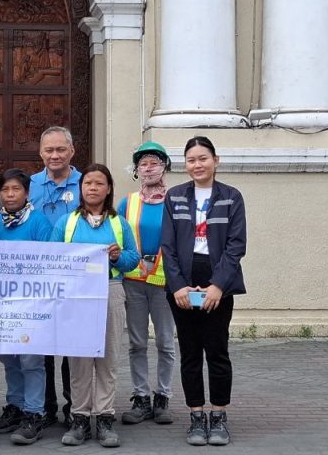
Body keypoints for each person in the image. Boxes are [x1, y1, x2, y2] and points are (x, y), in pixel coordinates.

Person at [160, 136, 247, 446]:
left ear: (215, 160)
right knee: (190, 352)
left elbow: (236, 246)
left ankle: (219, 415)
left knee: (217, 351)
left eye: (203, 158)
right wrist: (178, 286)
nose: (197, 165)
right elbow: (167, 247)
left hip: (218, 281)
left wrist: (218, 286)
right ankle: (196, 416)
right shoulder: (174, 197)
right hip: (182, 281)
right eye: (192, 160)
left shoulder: (232, 197)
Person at [53, 164, 139, 448]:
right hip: (75, 294)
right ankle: (79, 418)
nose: (92, 187)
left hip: (110, 289)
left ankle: (104, 417)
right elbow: (52, 257)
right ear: (81, 188)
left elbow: (133, 259)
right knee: (79, 359)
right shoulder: (66, 223)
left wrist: (116, 257)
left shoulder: (119, 223)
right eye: (87, 182)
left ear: (108, 188)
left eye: (99, 183)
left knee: (107, 357)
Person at [0, 168, 54, 444]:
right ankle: (15, 406)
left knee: (31, 359)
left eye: (16, 189)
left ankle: (35, 413)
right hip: (2, 301)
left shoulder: (39, 222)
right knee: (8, 356)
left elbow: (48, 261)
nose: (10, 195)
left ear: (27, 193)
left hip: (31, 302)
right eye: (5, 190)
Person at [118, 142, 176, 426]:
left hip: (165, 282)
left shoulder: (177, 199)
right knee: (137, 343)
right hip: (134, 280)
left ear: (165, 165)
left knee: (165, 342)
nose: (148, 167)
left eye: (154, 161)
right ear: (136, 170)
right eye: (143, 164)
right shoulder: (127, 202)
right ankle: (141, 397)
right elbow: (117, 237)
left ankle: (162, 396)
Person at [27, 125, 82, 427]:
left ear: (72, 151)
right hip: (37, 280)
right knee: (42, 346)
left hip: (74, 280)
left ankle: (74, 407)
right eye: (49, 150)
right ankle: (45, 407)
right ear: (40, 153)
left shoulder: (86, 184)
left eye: (61, 149)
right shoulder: (30, 184)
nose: (55, 155)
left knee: (71, 346)